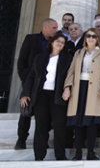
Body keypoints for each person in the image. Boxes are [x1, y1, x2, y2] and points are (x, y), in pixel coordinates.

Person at [20, 33, 72, 161]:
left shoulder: (68, 58)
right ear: (52, 42)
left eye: (62, 42)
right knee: (41, 126)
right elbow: (31, 76)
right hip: (41, 95)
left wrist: (68, 89)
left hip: (58, 95)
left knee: (59, 125)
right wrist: (25, 94)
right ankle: (39, 156)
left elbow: (71, 76)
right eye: (57, 41)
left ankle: (60, 155)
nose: (59, 43)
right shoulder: (40, 58)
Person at [62, 29, 100, 161]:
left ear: (98, 39)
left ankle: (90, 152)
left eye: (93, 36)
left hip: (95, 91)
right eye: (88, 36)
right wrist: (67, 87)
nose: (90, 38)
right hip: (79, 89)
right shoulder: (78, 52)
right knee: (78, 122)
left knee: (91, 122)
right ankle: (78, 153)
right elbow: (71, 71)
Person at [15, 18, 58, 150]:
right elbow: (21, 61)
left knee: (44, 115)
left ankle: (42, 141)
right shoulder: (31, 39)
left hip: (47, 84)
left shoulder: (55, 42)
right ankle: (21, 139)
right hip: (31, 82)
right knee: (26, 111)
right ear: (45, 28)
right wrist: (26, 81)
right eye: (54, 28)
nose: (56, 30)